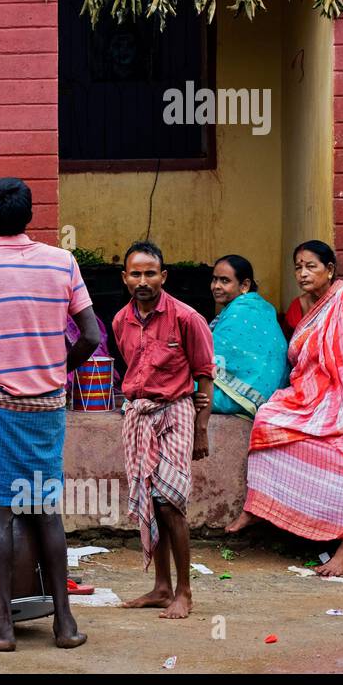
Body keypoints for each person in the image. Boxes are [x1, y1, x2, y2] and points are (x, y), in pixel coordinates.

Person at [0, 178, 99, 651]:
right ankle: (65, 624)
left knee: (0, 515)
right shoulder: (63, 262)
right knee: (45, 512)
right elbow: (91, 337)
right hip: (48, 408)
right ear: (30, 215)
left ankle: (2, 627)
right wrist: (57, 370)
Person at [226, 241, 343, 577]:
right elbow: (298, 356)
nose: (303, 273)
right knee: (267, 417)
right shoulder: (297, 310)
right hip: (316, 389)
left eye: (311, 266)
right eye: (298, 267)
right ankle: (259, 505)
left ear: (330, 269)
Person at [113, 241, 214, 619]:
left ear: (163, 276)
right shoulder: (120, 320)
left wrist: (201, 430)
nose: (143, 280)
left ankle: (185, 592)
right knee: (151, 503)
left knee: (171, 502)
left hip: (176, 412)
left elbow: (205, 375)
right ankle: (161, 587)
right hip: (138, 416)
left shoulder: (188, 318)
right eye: (135, 273)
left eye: (150, 273)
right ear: (125, 278)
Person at [208, 254, 288, 417]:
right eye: (214, 279)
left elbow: (210, 354)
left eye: (224, 281)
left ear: (244, 285)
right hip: (267, 394)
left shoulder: (241, 311)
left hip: (236, 397)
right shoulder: (262, 307)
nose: (216, 286)